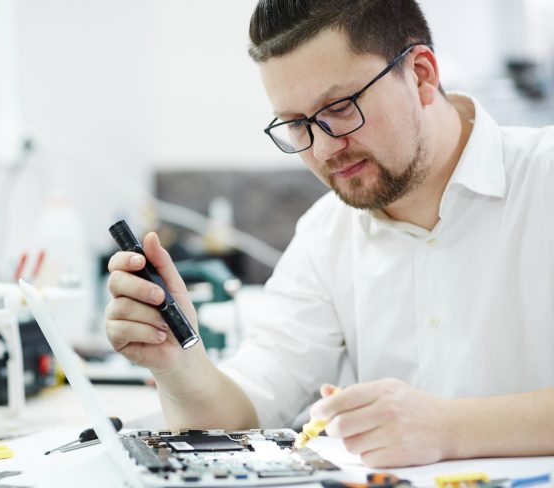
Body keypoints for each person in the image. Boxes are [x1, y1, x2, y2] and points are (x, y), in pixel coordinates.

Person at [105, 0, 554, 468]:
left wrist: (447, 428)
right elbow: (240, 412)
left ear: (421, 75)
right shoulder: (326, 234)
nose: (323, 149)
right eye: (296, 125)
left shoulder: (544, 180)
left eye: (339, 108)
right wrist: (177, 364)